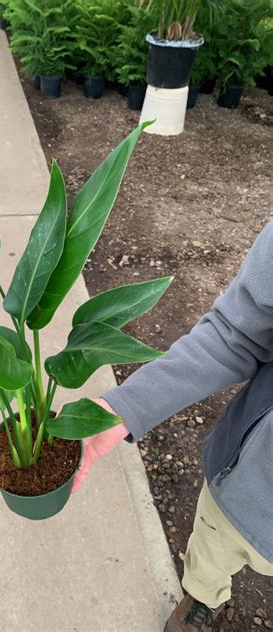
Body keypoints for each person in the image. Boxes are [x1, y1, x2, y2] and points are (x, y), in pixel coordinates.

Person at [69, 221, 273, 632]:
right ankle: (203, 596)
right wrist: (126, 406)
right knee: (212, 553)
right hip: (248, 489)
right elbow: (236, 335)